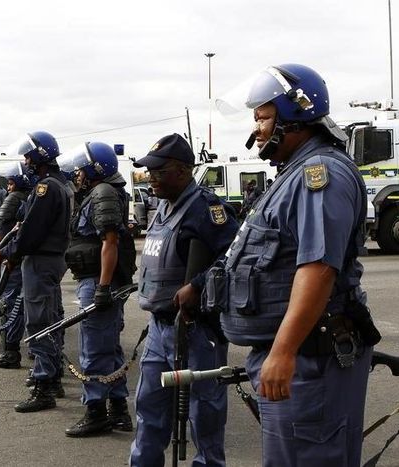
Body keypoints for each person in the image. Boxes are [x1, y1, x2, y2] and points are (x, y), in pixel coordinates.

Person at [214, 63, 379, 467]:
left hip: (309, 360)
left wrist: (283, 352)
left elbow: (318, 268)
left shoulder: (318, 174)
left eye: (264, 117)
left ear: (296, 116)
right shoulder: (294, 174)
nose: (257, 131)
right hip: (298, 357)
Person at [129, 134, 238, 467]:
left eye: (158, 172)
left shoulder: (208, 208)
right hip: (160, 327)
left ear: (181, 170)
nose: (151, 178)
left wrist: (198, 283)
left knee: (204, 416)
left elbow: (235, 256)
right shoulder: (163, 206)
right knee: (149, 411)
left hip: (196, 329)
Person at [57, 142, 136, 437]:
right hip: (98, 279)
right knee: (109, 349)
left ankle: (96, 414)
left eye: (81, 168)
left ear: (95, 169)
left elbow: (110, 241)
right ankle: (118, 412)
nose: (77, 173)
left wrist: (102, 287)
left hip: (99, 281)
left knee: (93, 350)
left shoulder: (102, 193)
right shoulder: (98, 192)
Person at [0, 130, 71, 413]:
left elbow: (32, 231)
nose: (25, 161)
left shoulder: (45, 188)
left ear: (39, 156)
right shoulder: (59, 184)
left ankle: (44, 385)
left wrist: (11, 254)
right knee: (50, 317)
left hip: (41, 260)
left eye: (28, 156)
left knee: (39, 323)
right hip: (50, 260)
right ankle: (52, 377)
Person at [0, 161, 33, 369]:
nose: (8, 187)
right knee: (29, 305)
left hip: (12, 257)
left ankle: (10, 351)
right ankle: (34, 348)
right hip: (24, 257)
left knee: (10, 305)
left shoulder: (14, 199)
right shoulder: (32, 197)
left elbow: (1, 231)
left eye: (11, 183)